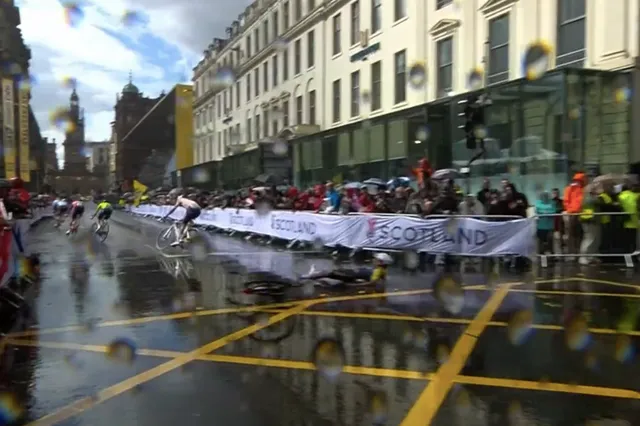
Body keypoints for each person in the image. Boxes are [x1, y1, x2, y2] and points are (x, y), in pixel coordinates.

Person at [301, 252, 392, 288]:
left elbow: (372, 283)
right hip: (352, 274)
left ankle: (308, 277)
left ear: (381, 262)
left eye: (376, 259)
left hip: (350, 275)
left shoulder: (378, 271)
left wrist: (352, 285)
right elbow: (381, 279)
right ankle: (315, 276)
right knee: (333, 273)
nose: (373, 260)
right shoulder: (381, 270)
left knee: (331, 273)